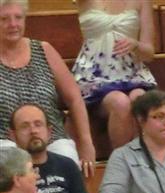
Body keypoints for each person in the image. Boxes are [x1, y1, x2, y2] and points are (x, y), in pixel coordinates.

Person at [0, 0, 96, 176]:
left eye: (18, 17)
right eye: (4, 19)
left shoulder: (44, 50)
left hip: (51, 137)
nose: (12, 24)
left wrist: (86, 142)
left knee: (67, 160)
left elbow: (74, 99)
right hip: (5, 141)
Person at [9, 103, 94, 193]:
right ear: (13, 136)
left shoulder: (66, 165)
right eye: (25, 126)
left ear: (49, 132)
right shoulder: (6, 171)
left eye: (38, 124)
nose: (33, 131)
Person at [73, 0, 157, 149]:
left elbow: (149, 53)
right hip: (94, 77)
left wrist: (136, 45)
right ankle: (121, 160)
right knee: (120, 102)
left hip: (132, 73)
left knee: (139, 98)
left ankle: (143, 158)